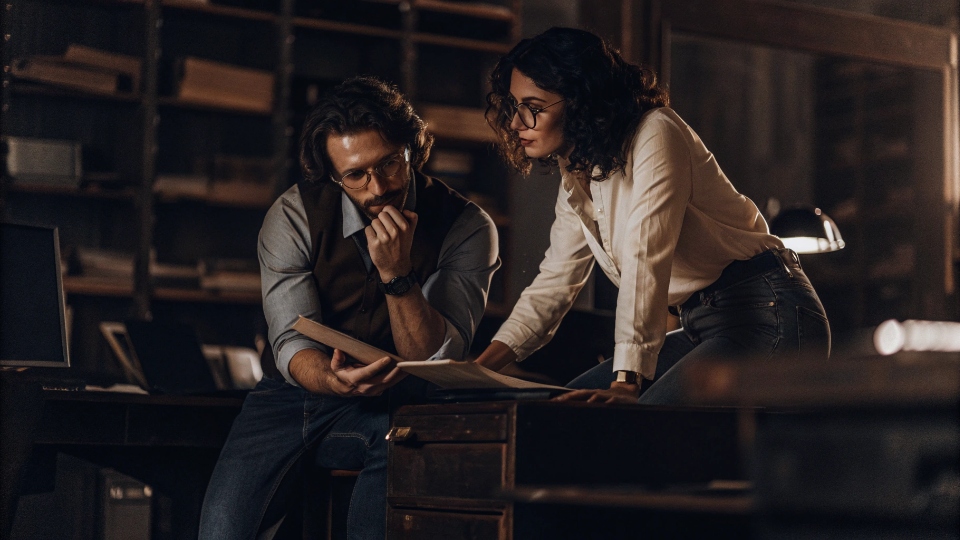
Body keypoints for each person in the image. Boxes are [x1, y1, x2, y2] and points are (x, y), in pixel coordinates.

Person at [199, 76, 499, 540]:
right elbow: (290, 338)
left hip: (393, 404)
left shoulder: (468, 227)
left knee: (401, 452)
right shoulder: (293, 215)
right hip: (290, 398)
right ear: (334, 177)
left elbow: (431, 358)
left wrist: (397, 275)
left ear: (411, 150)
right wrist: (332, 379)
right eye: (356, 176)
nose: (378, 187)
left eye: (389, 164)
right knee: (222, 531)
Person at [474, 27, 830, 405]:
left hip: (770, 312)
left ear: (581, 100)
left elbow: (646, 256)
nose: (515, 123)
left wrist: (626, 383)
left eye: (532, 107)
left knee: (627, 425)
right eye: (514, 106)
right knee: (562, 416)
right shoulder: (578, 176)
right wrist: (476, 370)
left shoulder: (656, 132)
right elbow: (554, 285)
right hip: (702, 326)